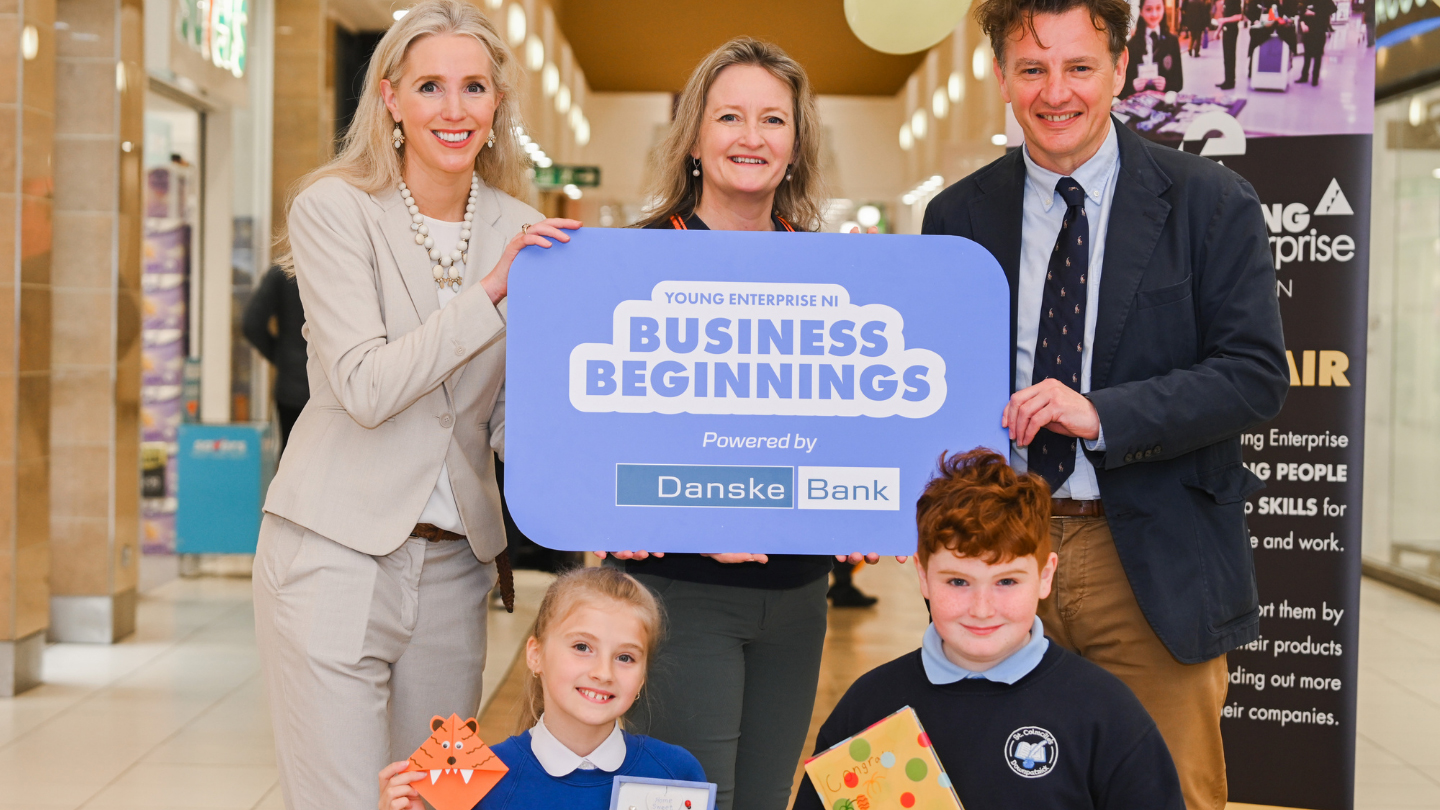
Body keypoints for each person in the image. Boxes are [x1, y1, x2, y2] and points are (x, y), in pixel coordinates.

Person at [921, 0, 1289, 806]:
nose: (1057, 92)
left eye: (1080, 66)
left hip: (1150, 563)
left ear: (1120, 69)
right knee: (1000, 787)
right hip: (1002, 554)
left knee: (1163, 789)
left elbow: (1255, 375)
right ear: (1002, 78)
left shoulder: (1209, 203)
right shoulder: (956, 216)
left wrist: (1102, 413)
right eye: (1033, 69)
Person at [252, 2, 580, 807]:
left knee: (442, 796)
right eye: (430, 86)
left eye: (474, 87)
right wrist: (492, 292)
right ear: (391, 98)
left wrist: (611, 494)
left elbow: (513, 416)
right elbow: (366, 386)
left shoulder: (524, 225)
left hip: (455, 572)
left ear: (498, 105)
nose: (454, 108)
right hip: (332, 554)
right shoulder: (336, 208)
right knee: (348, 798)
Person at [600, 37, 857, 810]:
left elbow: (851, 418)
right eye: (731, 117)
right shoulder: (630, 260)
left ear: (797, 142)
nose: (752, 137)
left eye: (773, 119)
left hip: (800, 592)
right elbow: (595, 424)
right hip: (679, 589)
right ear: (695, 138)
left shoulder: (832, 269)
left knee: (763, 798)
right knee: (688, 798)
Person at [793, 449, 1185, 809]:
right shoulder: (869, 706)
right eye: (958, 582)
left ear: (1045, 575)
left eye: (1007, 582)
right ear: (923, 577)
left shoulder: (1106, 712)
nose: (982, 610)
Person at [377, 567, 705, 810]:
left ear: (642, 678)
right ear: (536, 655)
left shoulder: (676, 774)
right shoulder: (478, 781)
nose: (603, 673)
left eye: (625, 657)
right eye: (581, 647)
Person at [242, 265, 308, 448]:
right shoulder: (340, 268)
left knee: (293, 456)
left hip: (293, 388)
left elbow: (251, 324)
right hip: (334, 385)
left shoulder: (283, 271)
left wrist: (282, 357)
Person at [1122, 0, 1185, 98]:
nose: (1154, 14)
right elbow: (1119, 89)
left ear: (1163, 9)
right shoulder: (1131, 45)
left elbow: (1179, 83)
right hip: (1138, 108)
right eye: (1149, 9)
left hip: (1163, 107)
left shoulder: (1172, 42)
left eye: (1158, 8)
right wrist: (1132, 86)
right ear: (1141, 12)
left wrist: (1166, 85)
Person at [1297, 0, 1336, 86]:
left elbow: (1333, 9)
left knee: (1317, 55)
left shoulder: (1325, 2)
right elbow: (1301, 12)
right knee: (1307, 55)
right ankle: (1304, 76)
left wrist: (1315, 14)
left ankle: (1315, 78)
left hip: (1319, 31)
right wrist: (1302, 23)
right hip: (1308, 32)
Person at [1214, 0, 1246, 89]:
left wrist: (1224, 20)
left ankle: (1230, 81)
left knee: (1230, 55)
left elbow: (1239, 16)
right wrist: (1218, 31)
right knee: (1227, 56)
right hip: (1226, 30)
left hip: (1231, 30)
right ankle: (1228, 79)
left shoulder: (1234, 1)